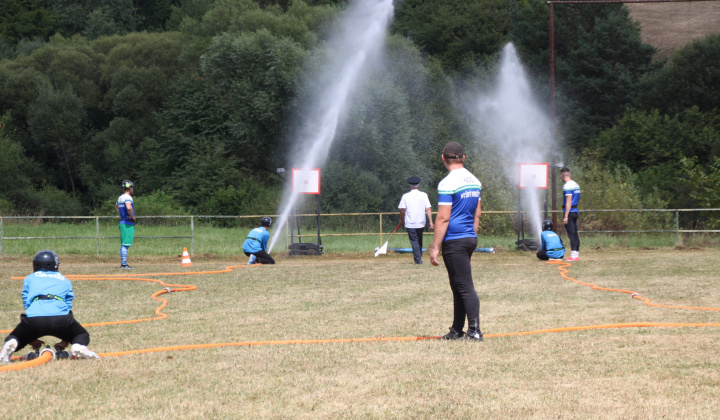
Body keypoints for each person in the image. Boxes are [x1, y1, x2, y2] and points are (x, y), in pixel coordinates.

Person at [0, 250, 100, 363]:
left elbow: (27, 304)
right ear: (56, 264)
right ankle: (78, 345)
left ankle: (12, 343)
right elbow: (67, 306)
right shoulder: (65, 280)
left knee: (16, 337)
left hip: (35, 319)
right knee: (81, 334)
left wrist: (29, 336)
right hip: (61, 319)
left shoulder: (29, 278)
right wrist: (66, 338)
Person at [428, 142, 483, 341]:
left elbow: (443, 218)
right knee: (458, 285)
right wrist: (472, 235)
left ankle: (474, 331)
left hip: (454, 240)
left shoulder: (447, 183)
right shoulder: (475, 181)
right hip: (468, 237)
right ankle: (457, 330)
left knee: (464, 286)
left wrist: (434, 247)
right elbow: (477, 213)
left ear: (443, 158)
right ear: (463, 157)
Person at [398, 176, 434, 264]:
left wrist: (401, 220)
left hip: (410, 223)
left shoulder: (405, 196)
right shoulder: (424, 195)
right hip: (421, 222)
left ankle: (418, 260)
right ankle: (418, 258)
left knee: (414, 241)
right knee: (419, 240)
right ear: (419, 186)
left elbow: (402, 210)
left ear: (409, 186)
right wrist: (431, 222)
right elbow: (428, 209)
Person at [560, 168, 581, 261]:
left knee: (571, 234)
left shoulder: (567, 186)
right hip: (575, 211)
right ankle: (576, 254)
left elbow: (569, 201)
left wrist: (566, 216)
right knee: (575, 234)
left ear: (562, 175)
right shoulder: (576, 184)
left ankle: (573, 255)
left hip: (570, 212)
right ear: (570, 174)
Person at [115, 180, 136, 269]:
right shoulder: (128, 197)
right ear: (130, 188)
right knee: (125, 244)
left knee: (125, 243)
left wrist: (121, 214)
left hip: (123, 221)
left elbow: (116, 206)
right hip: (127, 222)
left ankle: (124, 263)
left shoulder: (120, 198)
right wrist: (132, 217)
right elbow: (128, 207)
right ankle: (124, 264)